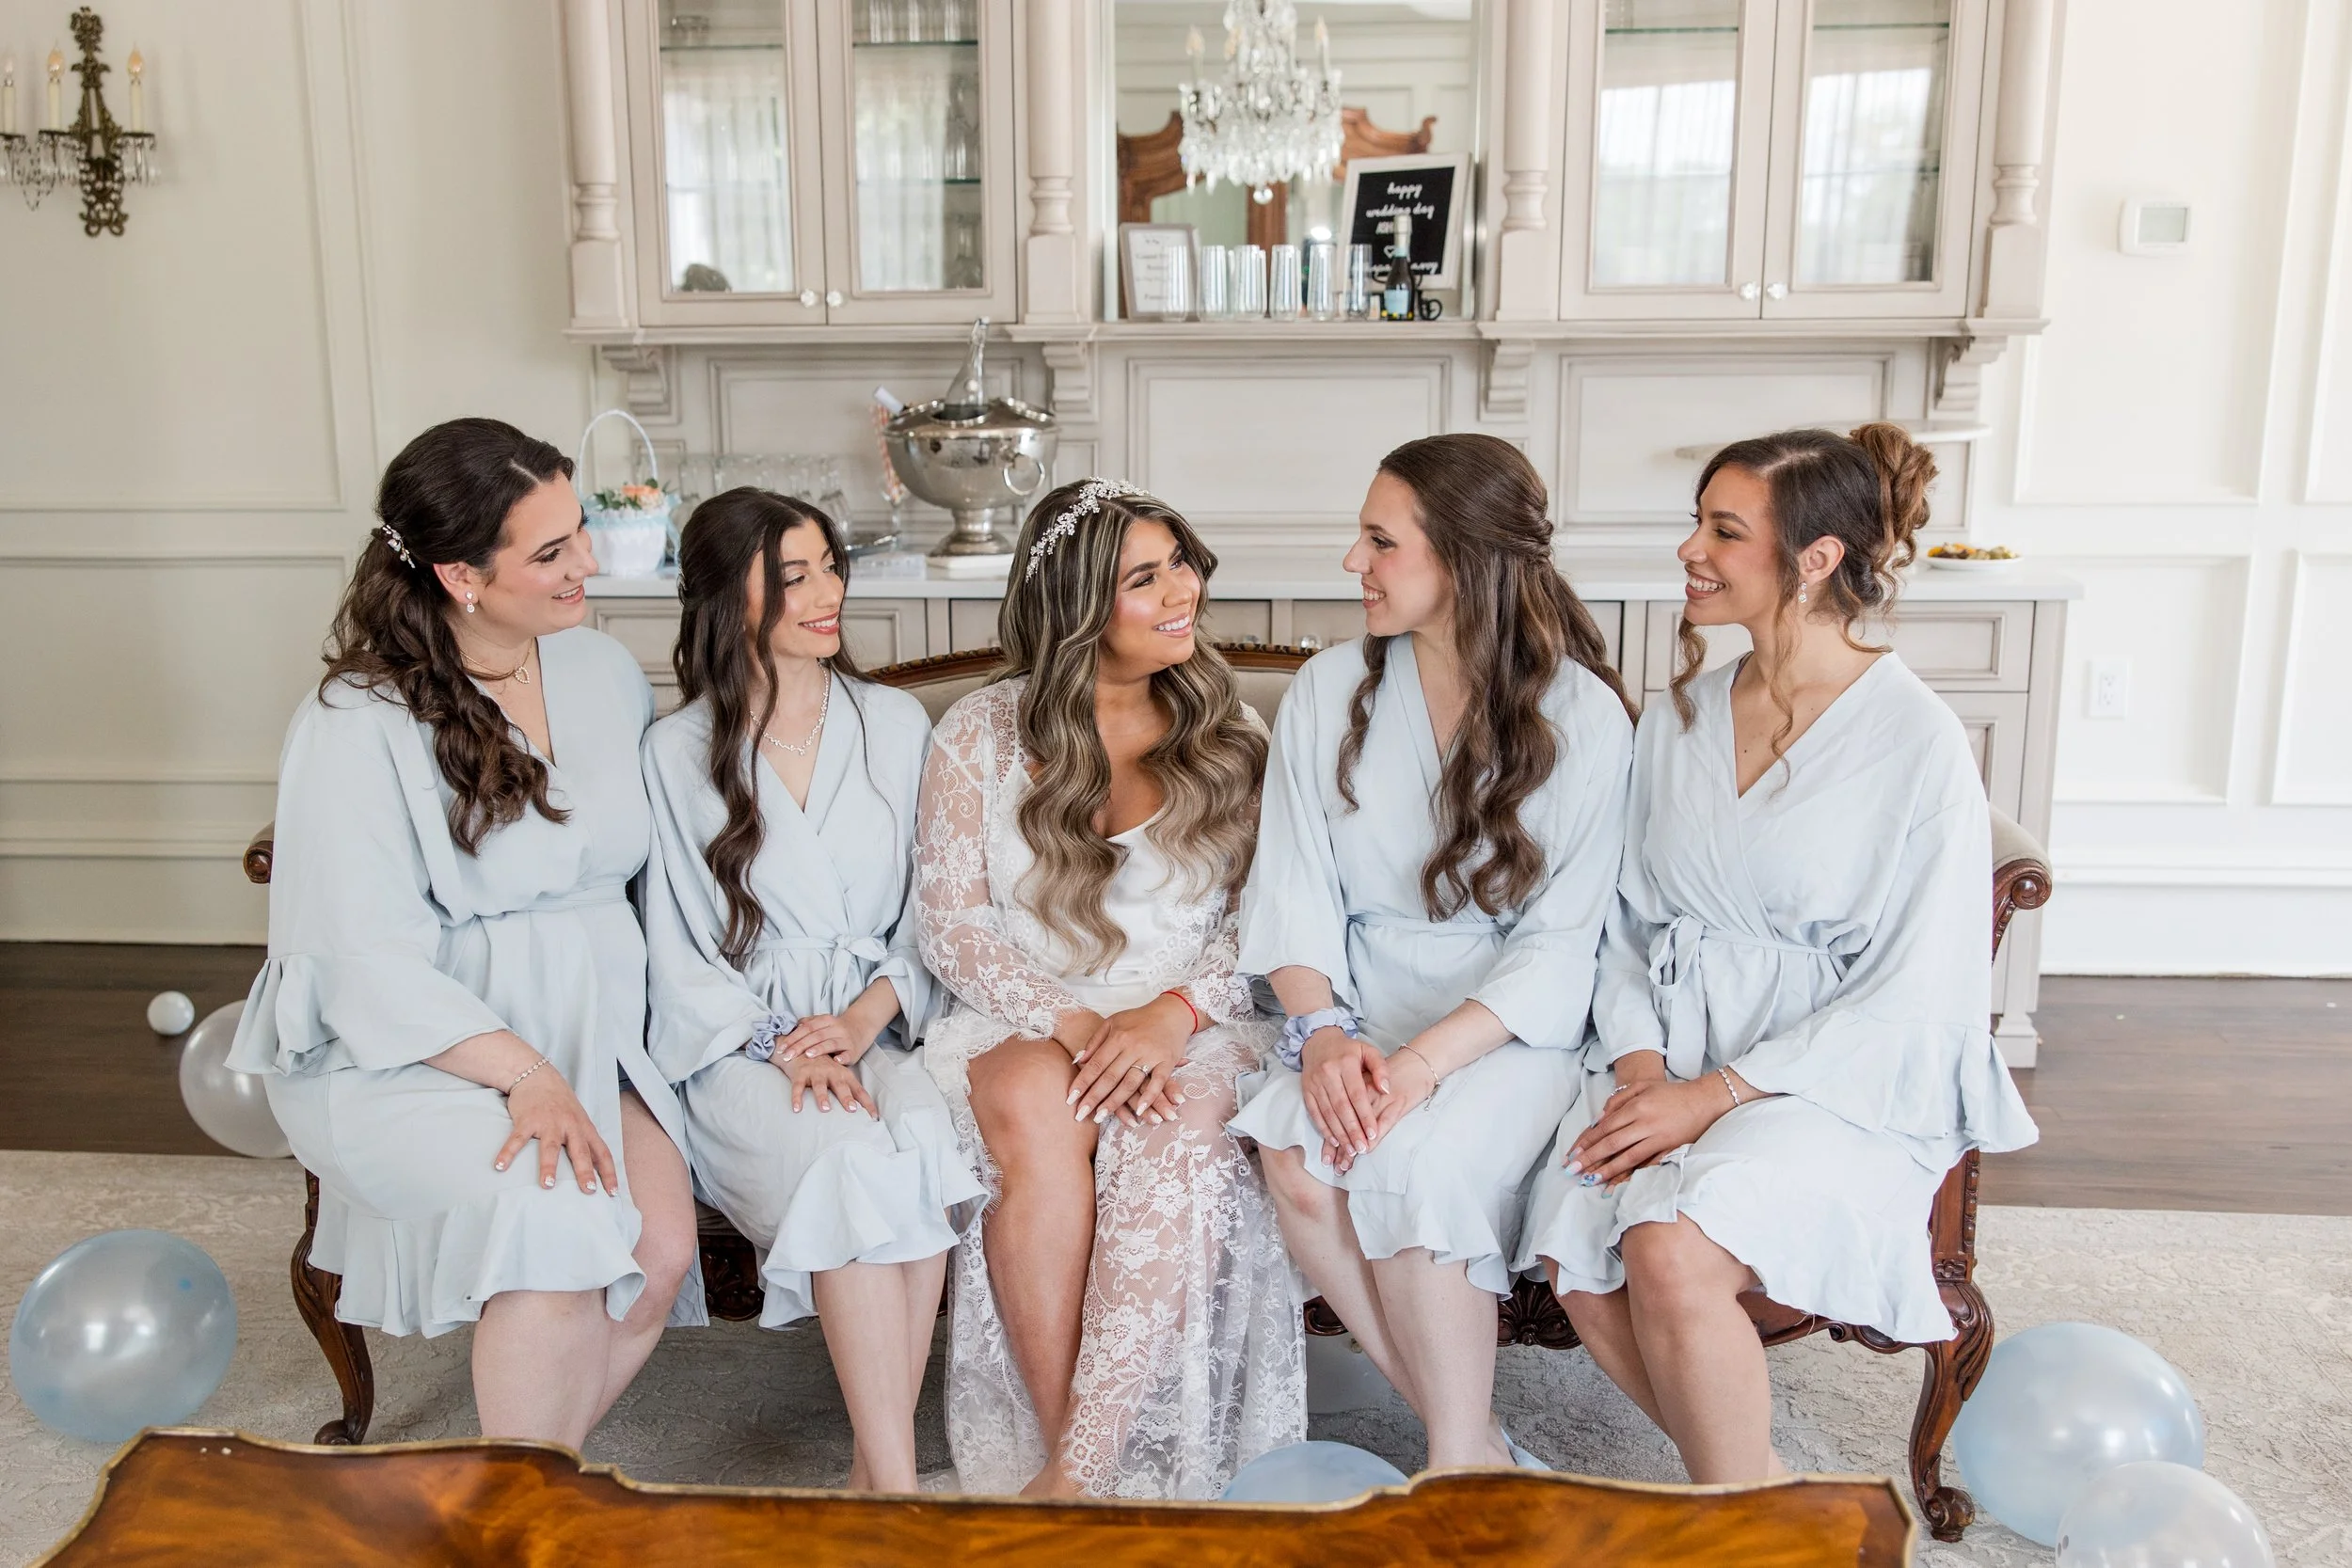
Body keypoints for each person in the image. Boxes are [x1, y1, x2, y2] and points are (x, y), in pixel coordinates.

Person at [1516, 424, 2040, 1484]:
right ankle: (1760, 1502)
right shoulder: (1681, 717)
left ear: (1815, 558)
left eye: (1723, 529)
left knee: (1668, 1244)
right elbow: (1625, 919)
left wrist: (1712, 1096)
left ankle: (1739, 1517)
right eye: (1695, 523)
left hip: (1837, 1078)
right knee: (1576, 1245)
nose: (1689, 551)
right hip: (1667, 1054)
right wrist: (1642, 1068)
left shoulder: (1915, 740)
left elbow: (1915, 988)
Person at [228, 418, 698, 1448]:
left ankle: (513, 1492)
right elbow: (359, 961)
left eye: (581, 530)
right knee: (553, 1223)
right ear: (458, 573)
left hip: (592, 1030)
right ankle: (519, 1526)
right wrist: (523, 1071)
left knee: (659, 1250)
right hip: (410, 1049)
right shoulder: (354, 721)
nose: (589, 563)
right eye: (550, 551)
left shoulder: (601, 672)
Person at [1229, 434, 1636, 1471]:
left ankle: (1454, 1461)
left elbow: (1562, 946)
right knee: (1296, 1154)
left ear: (1460, 555)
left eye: (1379, 539)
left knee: (1420, 1160)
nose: (1350, 563)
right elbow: (1294, 888)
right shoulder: (1328, 690)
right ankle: (1475, 1444)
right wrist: (1323, 1036)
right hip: (1358, 1013)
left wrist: (1416, 1069)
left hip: (1505, 1032)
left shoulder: (1584, 715)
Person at [914, 479, 1304, 1498]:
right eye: (1145, 576)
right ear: (1081, 610)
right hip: (1037, 1004)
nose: (1184, 590)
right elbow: (952, 924)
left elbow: (1262, 924)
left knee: (1172, 1129)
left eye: (1181, 561)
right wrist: (1082, 1022)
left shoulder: (1234, 737)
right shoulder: (979, 735)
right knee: (1027, 1101)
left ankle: (1077, 1465)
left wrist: (1167, 1016)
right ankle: (1067, 1459)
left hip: (1193, 1011)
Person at [641, 488, 982, 1493]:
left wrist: (867, 1017)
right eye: (794, 575)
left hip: (878, 1024)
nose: (828, 591)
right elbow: (675, 952)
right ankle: (892, 1478)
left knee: (917, 1142)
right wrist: (782, 1042)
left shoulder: (893, 722)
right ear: (723, 596)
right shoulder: (673, 751)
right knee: (844, 1155)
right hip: (745, 1046)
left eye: (831, 565)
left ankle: (880, 1482)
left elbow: (936, 908)